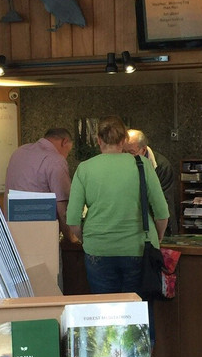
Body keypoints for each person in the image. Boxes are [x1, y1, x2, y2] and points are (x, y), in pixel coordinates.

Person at [67, 116, 169, 334]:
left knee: (105, 311)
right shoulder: (142, 165)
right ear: (124, 139)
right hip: (139, 248)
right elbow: (162, 213)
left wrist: (88, 239)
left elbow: (73, 220)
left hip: (98, 251)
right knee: (139, 311)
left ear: (98, 140)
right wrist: (156, 238)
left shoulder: (84, 169)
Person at [4, 127, 78, 242]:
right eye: (68, 151)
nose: (66, 156)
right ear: (64, 142)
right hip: (40, 238)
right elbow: (63, 207)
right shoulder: (56, 160)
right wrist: (71, 238)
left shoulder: (19, 151)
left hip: (12, 234)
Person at [123, 128, 176, 236]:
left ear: (143, 150)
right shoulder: (122, 164)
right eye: (123, 152)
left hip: (158, 226)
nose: (126, 157)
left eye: (131, 152)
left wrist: (161, 235)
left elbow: (164, 204)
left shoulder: (161, 166)